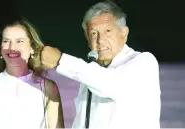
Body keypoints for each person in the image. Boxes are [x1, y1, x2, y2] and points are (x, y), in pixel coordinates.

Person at [41, 0, 161, 128]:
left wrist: (61, 60)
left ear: (124, 33)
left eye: (108, 31)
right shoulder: (91, 74)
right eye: (94, 34)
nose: (100, 40)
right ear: (87, 39)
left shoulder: (144, 62)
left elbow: (110, 84)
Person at [0, 17, 65, 129]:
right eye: (6, 41)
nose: (12, 47)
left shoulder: (48, 87)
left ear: (32, 48)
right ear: (0, 49)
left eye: (19, 41)